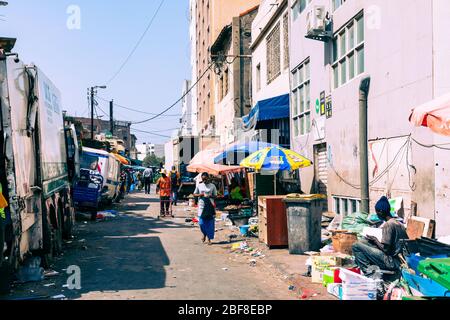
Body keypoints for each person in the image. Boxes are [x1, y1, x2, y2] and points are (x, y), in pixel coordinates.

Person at [352, 196, 409, 276]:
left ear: (381, 212)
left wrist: (375, 240)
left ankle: (369, 273)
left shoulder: (388, 225)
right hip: (399, 259)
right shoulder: (399, 224)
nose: (377, 214)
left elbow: (386, 250)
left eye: (377, 212)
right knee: (364, 242)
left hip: (391, 261)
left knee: (356, 246)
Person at [193, 173, 218, 245]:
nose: (204, 180)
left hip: (210, 206)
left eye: (205, 179)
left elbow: (216, 196)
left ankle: (209, 239)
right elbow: (194, 194)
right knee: (201, 223)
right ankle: (204, 234)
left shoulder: (212, 186)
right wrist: (200, 195)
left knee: (210, 224)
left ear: (208, 178)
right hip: (201, 207)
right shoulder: (199, 185)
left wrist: (211, 196)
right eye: (203, 179)